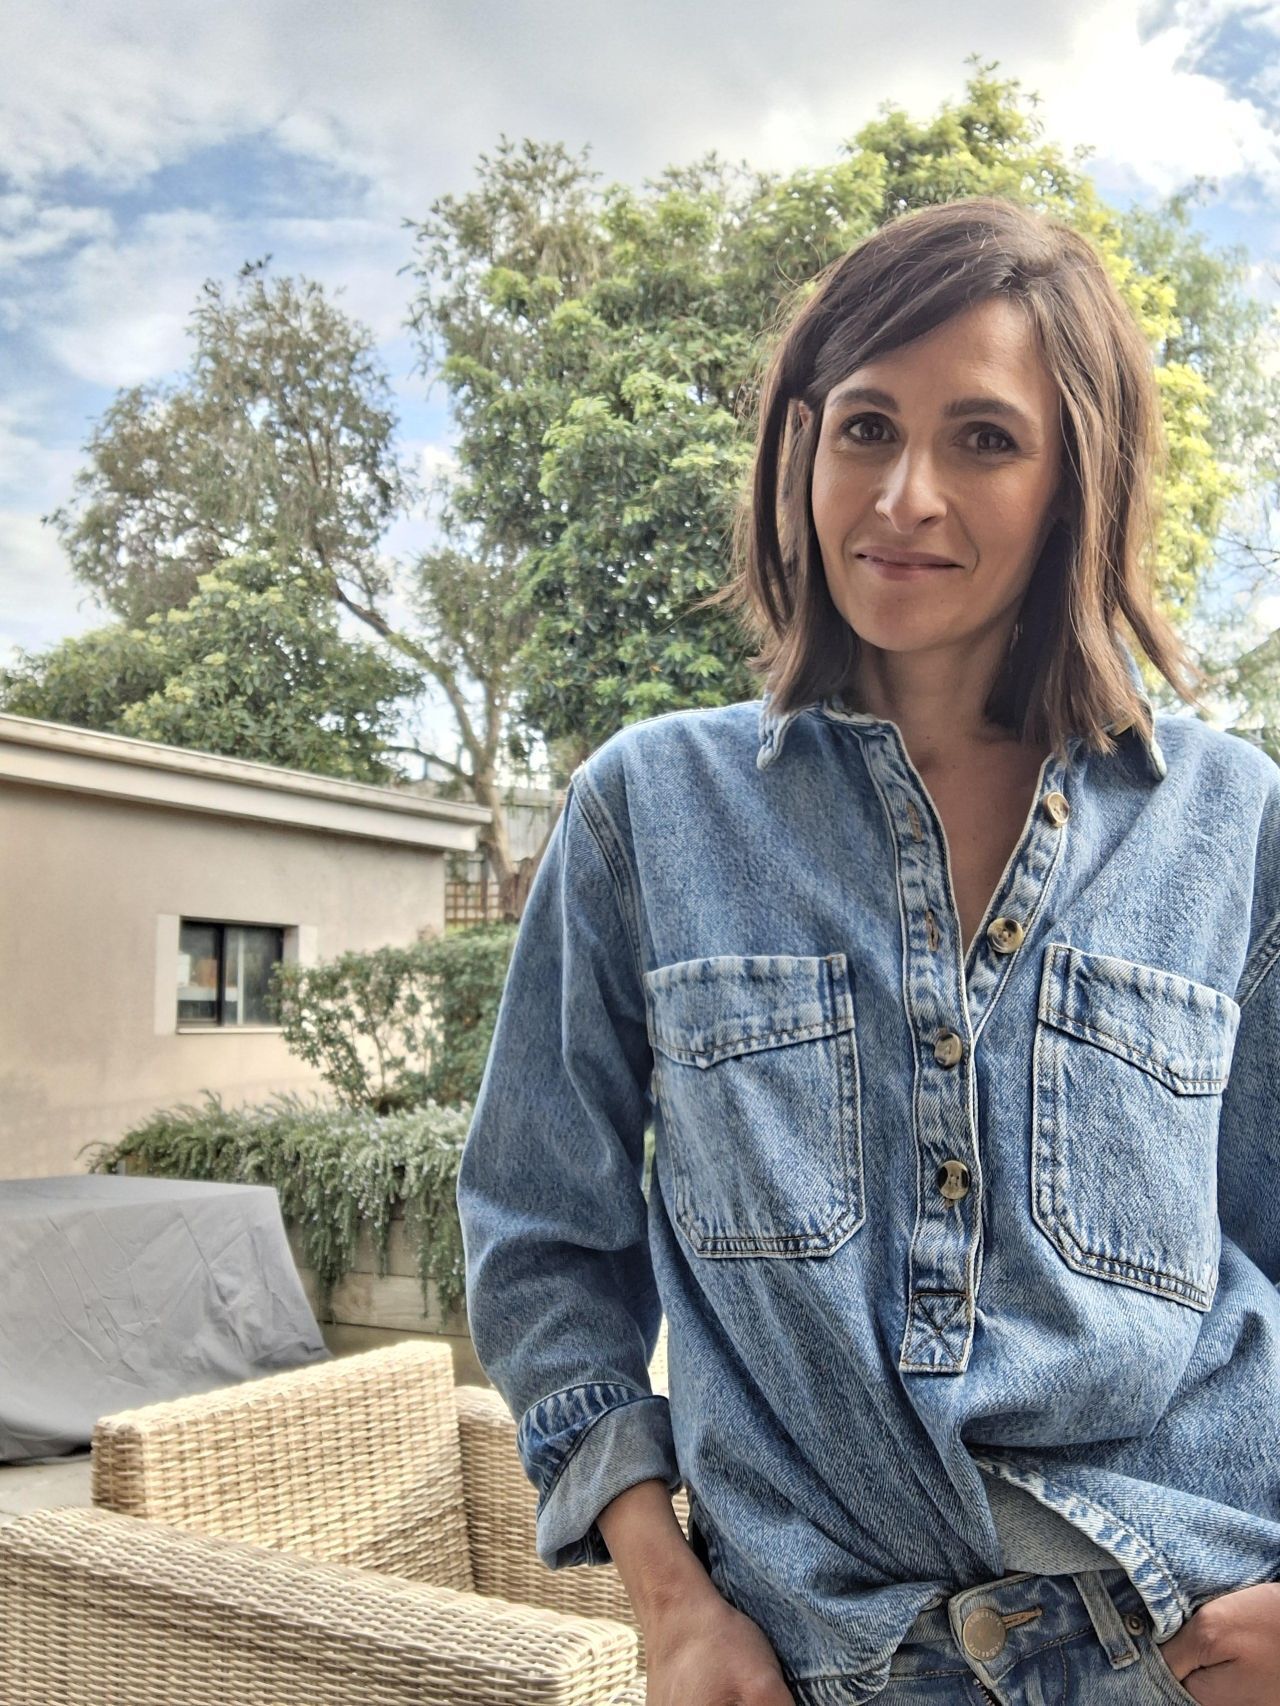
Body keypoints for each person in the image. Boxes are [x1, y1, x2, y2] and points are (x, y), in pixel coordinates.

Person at [455, 196, 1280, 1704]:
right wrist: (668, 1602)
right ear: (803, 448)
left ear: (1077, 477)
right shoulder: (651, 810)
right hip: (823, 1663)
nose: (904, 495)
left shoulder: (1233, 821)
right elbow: (539, 1232)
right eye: (866, 427)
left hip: (1185, 1641)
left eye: (984, 438)